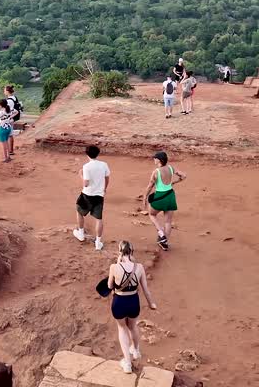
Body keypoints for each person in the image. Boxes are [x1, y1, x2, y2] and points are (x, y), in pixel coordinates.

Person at [106, 240, 158, 375]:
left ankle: (127, 363)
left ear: (119, 252)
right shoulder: (139, 267)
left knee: (122, 329)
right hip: (133, 301)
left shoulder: (114, 267)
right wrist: (151, 303)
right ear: (132, 252)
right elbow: (145, 288)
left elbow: (109, 286)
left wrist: (118, 264)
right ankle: (135, 350)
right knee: (133, 326)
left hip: (119, 301)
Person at [146, 151, 186, 251]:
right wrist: (175, 182)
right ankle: (165, 243)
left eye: (155, 158)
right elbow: (184, 176)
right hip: (170, 196)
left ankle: (161, 233)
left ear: (159, 160)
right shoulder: (170, 168)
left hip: (160, 196)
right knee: (168, 221)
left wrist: (144, 197)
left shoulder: (156, 171)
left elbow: (150, 186)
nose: (154, 159)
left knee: (152, 214)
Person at [73, 145, 110, 250]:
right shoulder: (104, 165)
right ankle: (98, 243)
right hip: (99, 195)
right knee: (99, 219)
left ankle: (80, 234)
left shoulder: (86, 167)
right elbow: (107, 179)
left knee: (79, 212)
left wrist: (81, 174)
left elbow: (86, 184)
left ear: (87, 154)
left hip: (87, 195)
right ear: (98, 153)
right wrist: (104, 189)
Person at [1, 84, 21, 156]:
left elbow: (8, 110)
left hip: (9, 118)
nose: (4, 92)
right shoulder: (14, 98)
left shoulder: (9, 101)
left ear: (7, 91)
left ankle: (10, 150)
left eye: (4, 90)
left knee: (9, 134)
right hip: (12, 118)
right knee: (10, 133)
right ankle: (10, 150)